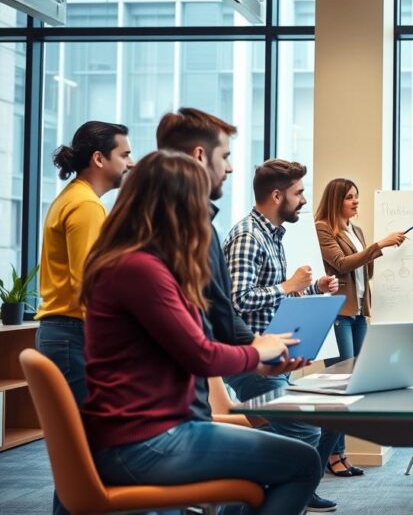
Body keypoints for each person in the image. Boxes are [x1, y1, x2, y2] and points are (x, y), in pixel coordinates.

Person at [81, 150, 321, 515]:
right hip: (146, 442)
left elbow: (194, 349)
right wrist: (258, 352)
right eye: (200, 205)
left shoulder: (137, 263)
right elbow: (201, 355)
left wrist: (258, 363)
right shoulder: (140, 270)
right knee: (303, 463)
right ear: (174, 208)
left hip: (149, 434)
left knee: (274, 466)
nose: (205, 220)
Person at [157, 109, 337, 513]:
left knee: (294, 449)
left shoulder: (234, 233)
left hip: (239, 366)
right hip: (183, 414)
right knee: (303, 446)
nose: (231, 168)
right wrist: (256, 353)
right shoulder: (234, 236)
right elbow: (230, 308)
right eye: (225, 156)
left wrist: (304, 295)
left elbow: (222, 314)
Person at [223, 160, 348, 496]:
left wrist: (313, 287)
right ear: (277, 196)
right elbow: (236, 300)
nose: (304, 200)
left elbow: (275, 294)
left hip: (273, 357)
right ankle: (288, 496)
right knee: (305, 431)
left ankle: (266, 499)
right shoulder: (248, 237)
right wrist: (288, 285)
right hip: (251, 360)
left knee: (307, 427)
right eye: (299, 193)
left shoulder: (272, 236)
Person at [35, 120, 132, 515]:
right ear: (99, 158)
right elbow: (91, 287)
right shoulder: (87, 206)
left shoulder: (73, 197)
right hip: (73, 335)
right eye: (124, 154)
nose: (130, 163)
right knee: (85, 455)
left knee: (78, 454)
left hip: (64, 334)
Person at [314, 177, 406, 476]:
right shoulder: (322, 228)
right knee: (340, 387)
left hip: (359, 313)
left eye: (356, 196)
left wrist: (374, 250)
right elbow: (341, 264)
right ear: (335, 200)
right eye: (349, 197)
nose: (355, 202)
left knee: (355, 385)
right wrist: (379, 245)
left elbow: (365, 271)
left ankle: (339, 453)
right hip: (339, 313)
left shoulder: (356, 230)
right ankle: (331, 455)